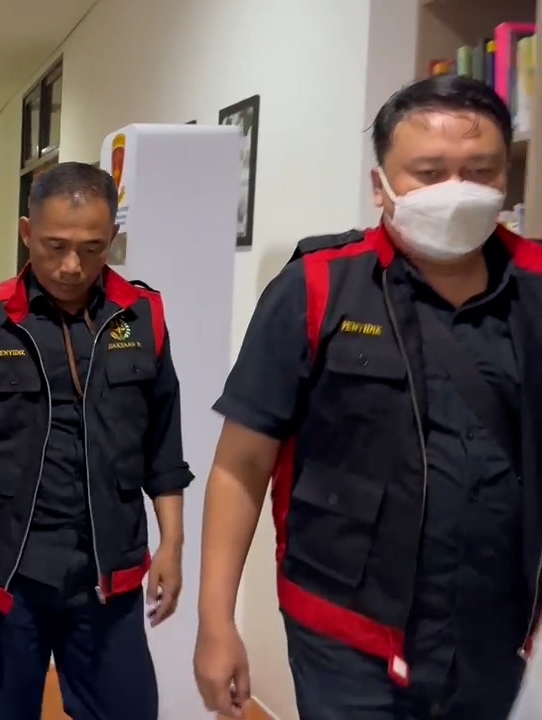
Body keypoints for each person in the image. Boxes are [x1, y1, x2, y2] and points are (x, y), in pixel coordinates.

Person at [193, 75, 542, 720]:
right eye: (429, 173)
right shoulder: (317, 287)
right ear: (380, 185)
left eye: (480, 171)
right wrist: (216, 622)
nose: (456, 190)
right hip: (344, 632)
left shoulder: (537, 285)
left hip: (496, 632)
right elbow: (241, 464)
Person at [0, 161, 192, 720]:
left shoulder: (141, 316)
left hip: (107, 572)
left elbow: (163, 444)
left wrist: (173, 544)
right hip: (5, 573)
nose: (71, 266)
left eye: (92, 249)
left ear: (112, 239)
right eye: (54, 246)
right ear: (26, 232)